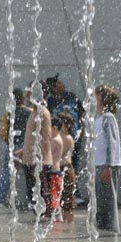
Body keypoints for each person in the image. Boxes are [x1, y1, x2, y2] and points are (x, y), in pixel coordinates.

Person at [45, 74, 85, 206]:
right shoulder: (51, 102)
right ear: (53, 88)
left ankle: (74, 194)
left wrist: (81, 131)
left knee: (73, 165)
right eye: (59, 84)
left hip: (74, 138)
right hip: (59, 140)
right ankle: (61, 196)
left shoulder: (72, 97)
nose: (62, 85)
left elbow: (81, 115)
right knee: (59, 166)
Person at [0, 88, 32, 207]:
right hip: (25, 146)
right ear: (23, 98)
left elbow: (4, 133)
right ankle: (32, 200)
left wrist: (9, 142)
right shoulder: (29, 112)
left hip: (12, 146)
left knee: (8, 173)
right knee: (30, 174)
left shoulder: (9, 113)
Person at [18, 83, 53, 216]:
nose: (27, 96)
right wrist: (24, 150)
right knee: (32, 194)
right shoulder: (33, 112)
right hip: (30, 160)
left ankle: (44, 222)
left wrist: (41, 161)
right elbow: (33, 138)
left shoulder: (43, 113)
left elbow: (46, 138)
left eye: (29, 93)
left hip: (39, 162)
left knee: (41, 194)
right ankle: (39, 220)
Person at [94, 85, 121, 233]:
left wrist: (108, 166)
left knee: (108, 202)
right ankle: (102, 229)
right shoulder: (99, 118)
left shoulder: (108, 118)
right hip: (99, 164)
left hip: (106, 165)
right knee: (100, 202)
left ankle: (111, 230)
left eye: (97, 95)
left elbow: (112, 142)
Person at [56, 111, 77, 223]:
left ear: (65, 125)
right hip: (59, 169)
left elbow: (65, 157)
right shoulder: (58, 136)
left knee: (68, 199)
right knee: (59, 198)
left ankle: (69, 223)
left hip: (66, 169)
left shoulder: (68, 138)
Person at [49, 116, 64, 221]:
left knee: (53, 197)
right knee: (55, 197)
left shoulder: (55, 140)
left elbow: (47, 153)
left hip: (54, 173)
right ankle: (58, 218)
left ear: (54, 128)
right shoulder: (59, 138)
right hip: (57, 172)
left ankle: (57, 219)